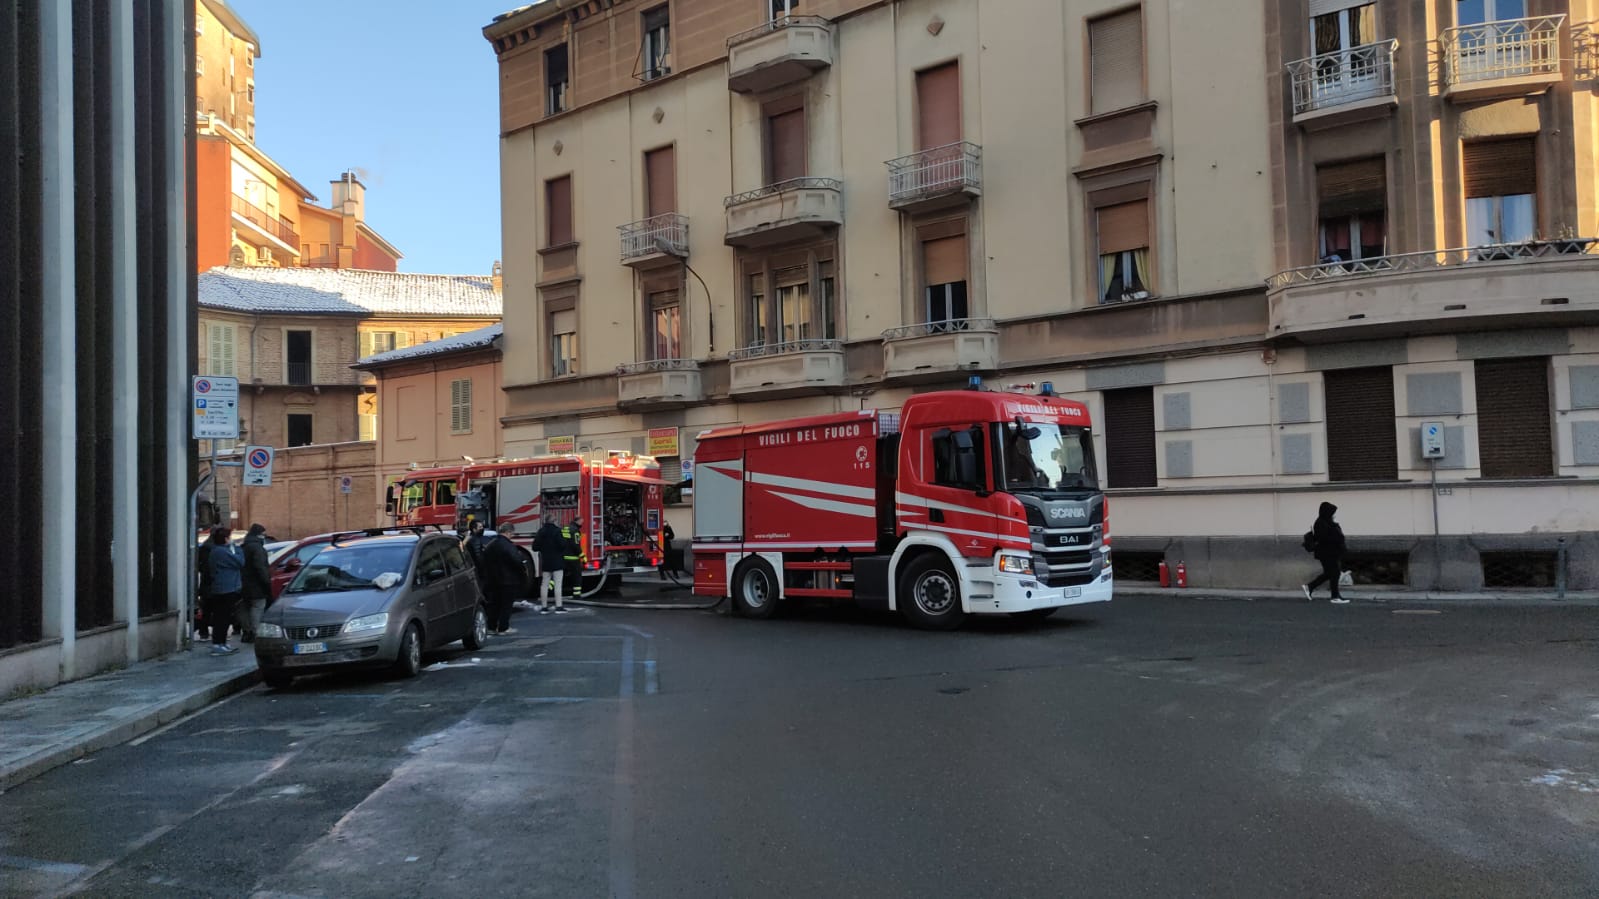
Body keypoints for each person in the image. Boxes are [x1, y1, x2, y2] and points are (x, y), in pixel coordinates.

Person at [480, 528, 527, 634]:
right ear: (508, 532)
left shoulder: (491, 544)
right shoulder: (508, 546)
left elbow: (484, 560)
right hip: (509, 580)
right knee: (506, 605)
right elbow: (516, 561)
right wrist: (522, 572)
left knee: (495, 604)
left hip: (494, 580)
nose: (512, 536)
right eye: (512, 533)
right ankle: (503, 627)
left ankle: (491, 626)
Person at [1302, 501, 1349, 604]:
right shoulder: (1320, 523)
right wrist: (1336, 530)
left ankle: (1310, 587)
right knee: (1335, 572)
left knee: (1330, 573)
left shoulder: (1327, 522)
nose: (1334, 515)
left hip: (1330, 552)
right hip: (1327, 553)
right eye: (1332, 512)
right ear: (1327, 512)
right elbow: (1326, 538)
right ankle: (1335, 596)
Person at [206, 527, 245, 653]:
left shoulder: (220, 551)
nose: (231, 539)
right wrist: (238, 549)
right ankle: (218, 644)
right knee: (222, 618)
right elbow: (240, 562)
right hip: (225, 589)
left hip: (226, 587)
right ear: (225, 539)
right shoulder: (221, 552)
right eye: (229, 537)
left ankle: (221, 642)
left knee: (225, 617)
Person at [239, 523, 272, 643]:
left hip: (243, 584)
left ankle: (246, 631)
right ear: (259, 535)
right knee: (258, 606)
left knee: (244, 608)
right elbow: (260, 567)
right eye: (263, 534)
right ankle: (255, 632)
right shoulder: (257, 548)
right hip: (256, 584)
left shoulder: (244, 546)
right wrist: (266, 582)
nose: (265, 537)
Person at [533, 516, 567, 612]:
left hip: (546, 562)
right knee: (558, 585)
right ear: (554, 521)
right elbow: (562, 545)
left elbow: (535, 547)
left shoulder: (541, 532)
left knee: (544, 584)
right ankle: (559, 606)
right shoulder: (557, 531)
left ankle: (544, 607)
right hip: (557, 562)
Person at [561, 519, 585, 607]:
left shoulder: (565, 528)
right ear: (577, 522)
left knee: (560, 576)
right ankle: (576, 595)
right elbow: (576, 545)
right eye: (581, 522)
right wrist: (583, 557)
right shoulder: (575, 531)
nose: (582, 524)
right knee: (577, 577)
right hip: (573, 558)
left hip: (563, 557)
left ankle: (551, 590)